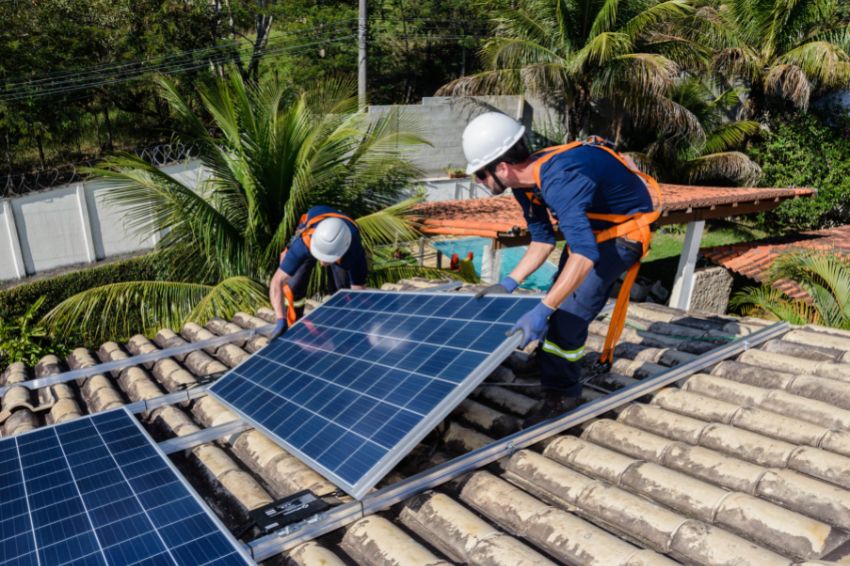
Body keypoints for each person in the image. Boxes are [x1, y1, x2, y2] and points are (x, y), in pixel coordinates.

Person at [463, 112, 661, 422]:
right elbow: (542, 241)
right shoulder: (524, 185)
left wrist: (543, 310)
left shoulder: (560, 178)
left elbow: (584, 256)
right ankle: (547, 360)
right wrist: (509, 283)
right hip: (592, 233)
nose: (479, 182)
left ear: (502, 167)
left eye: (481, 174)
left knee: (567, 316)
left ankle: (562, 396)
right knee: (557, 296)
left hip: (623, 235)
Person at [268, 205, 368, 338]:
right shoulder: (305, 241)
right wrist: (280, 319)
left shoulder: (354, 252)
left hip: (344, 243)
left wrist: (358, 323)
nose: (322, 263)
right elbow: (276, 281)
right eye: (321, 256)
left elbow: (357, 290)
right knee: (293, 285)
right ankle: (293, 324)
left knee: (343, 291)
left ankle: (341, 326)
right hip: (314, 228)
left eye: (328, 258)